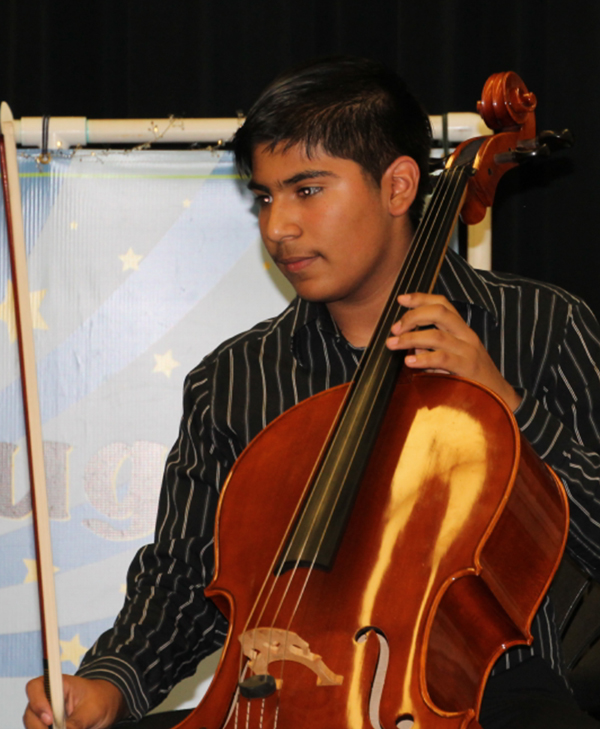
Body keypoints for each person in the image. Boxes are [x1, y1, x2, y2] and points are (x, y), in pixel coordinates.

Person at [24, 57, 600, 729]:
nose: (277, 228)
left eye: (306, 190)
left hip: (480, 693)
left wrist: (507, 404)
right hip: (269, 695)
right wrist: (109, 684)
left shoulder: (543, 327)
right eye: (264, 197)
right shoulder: (233, 380)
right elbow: (181, 582)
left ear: (399, 185)